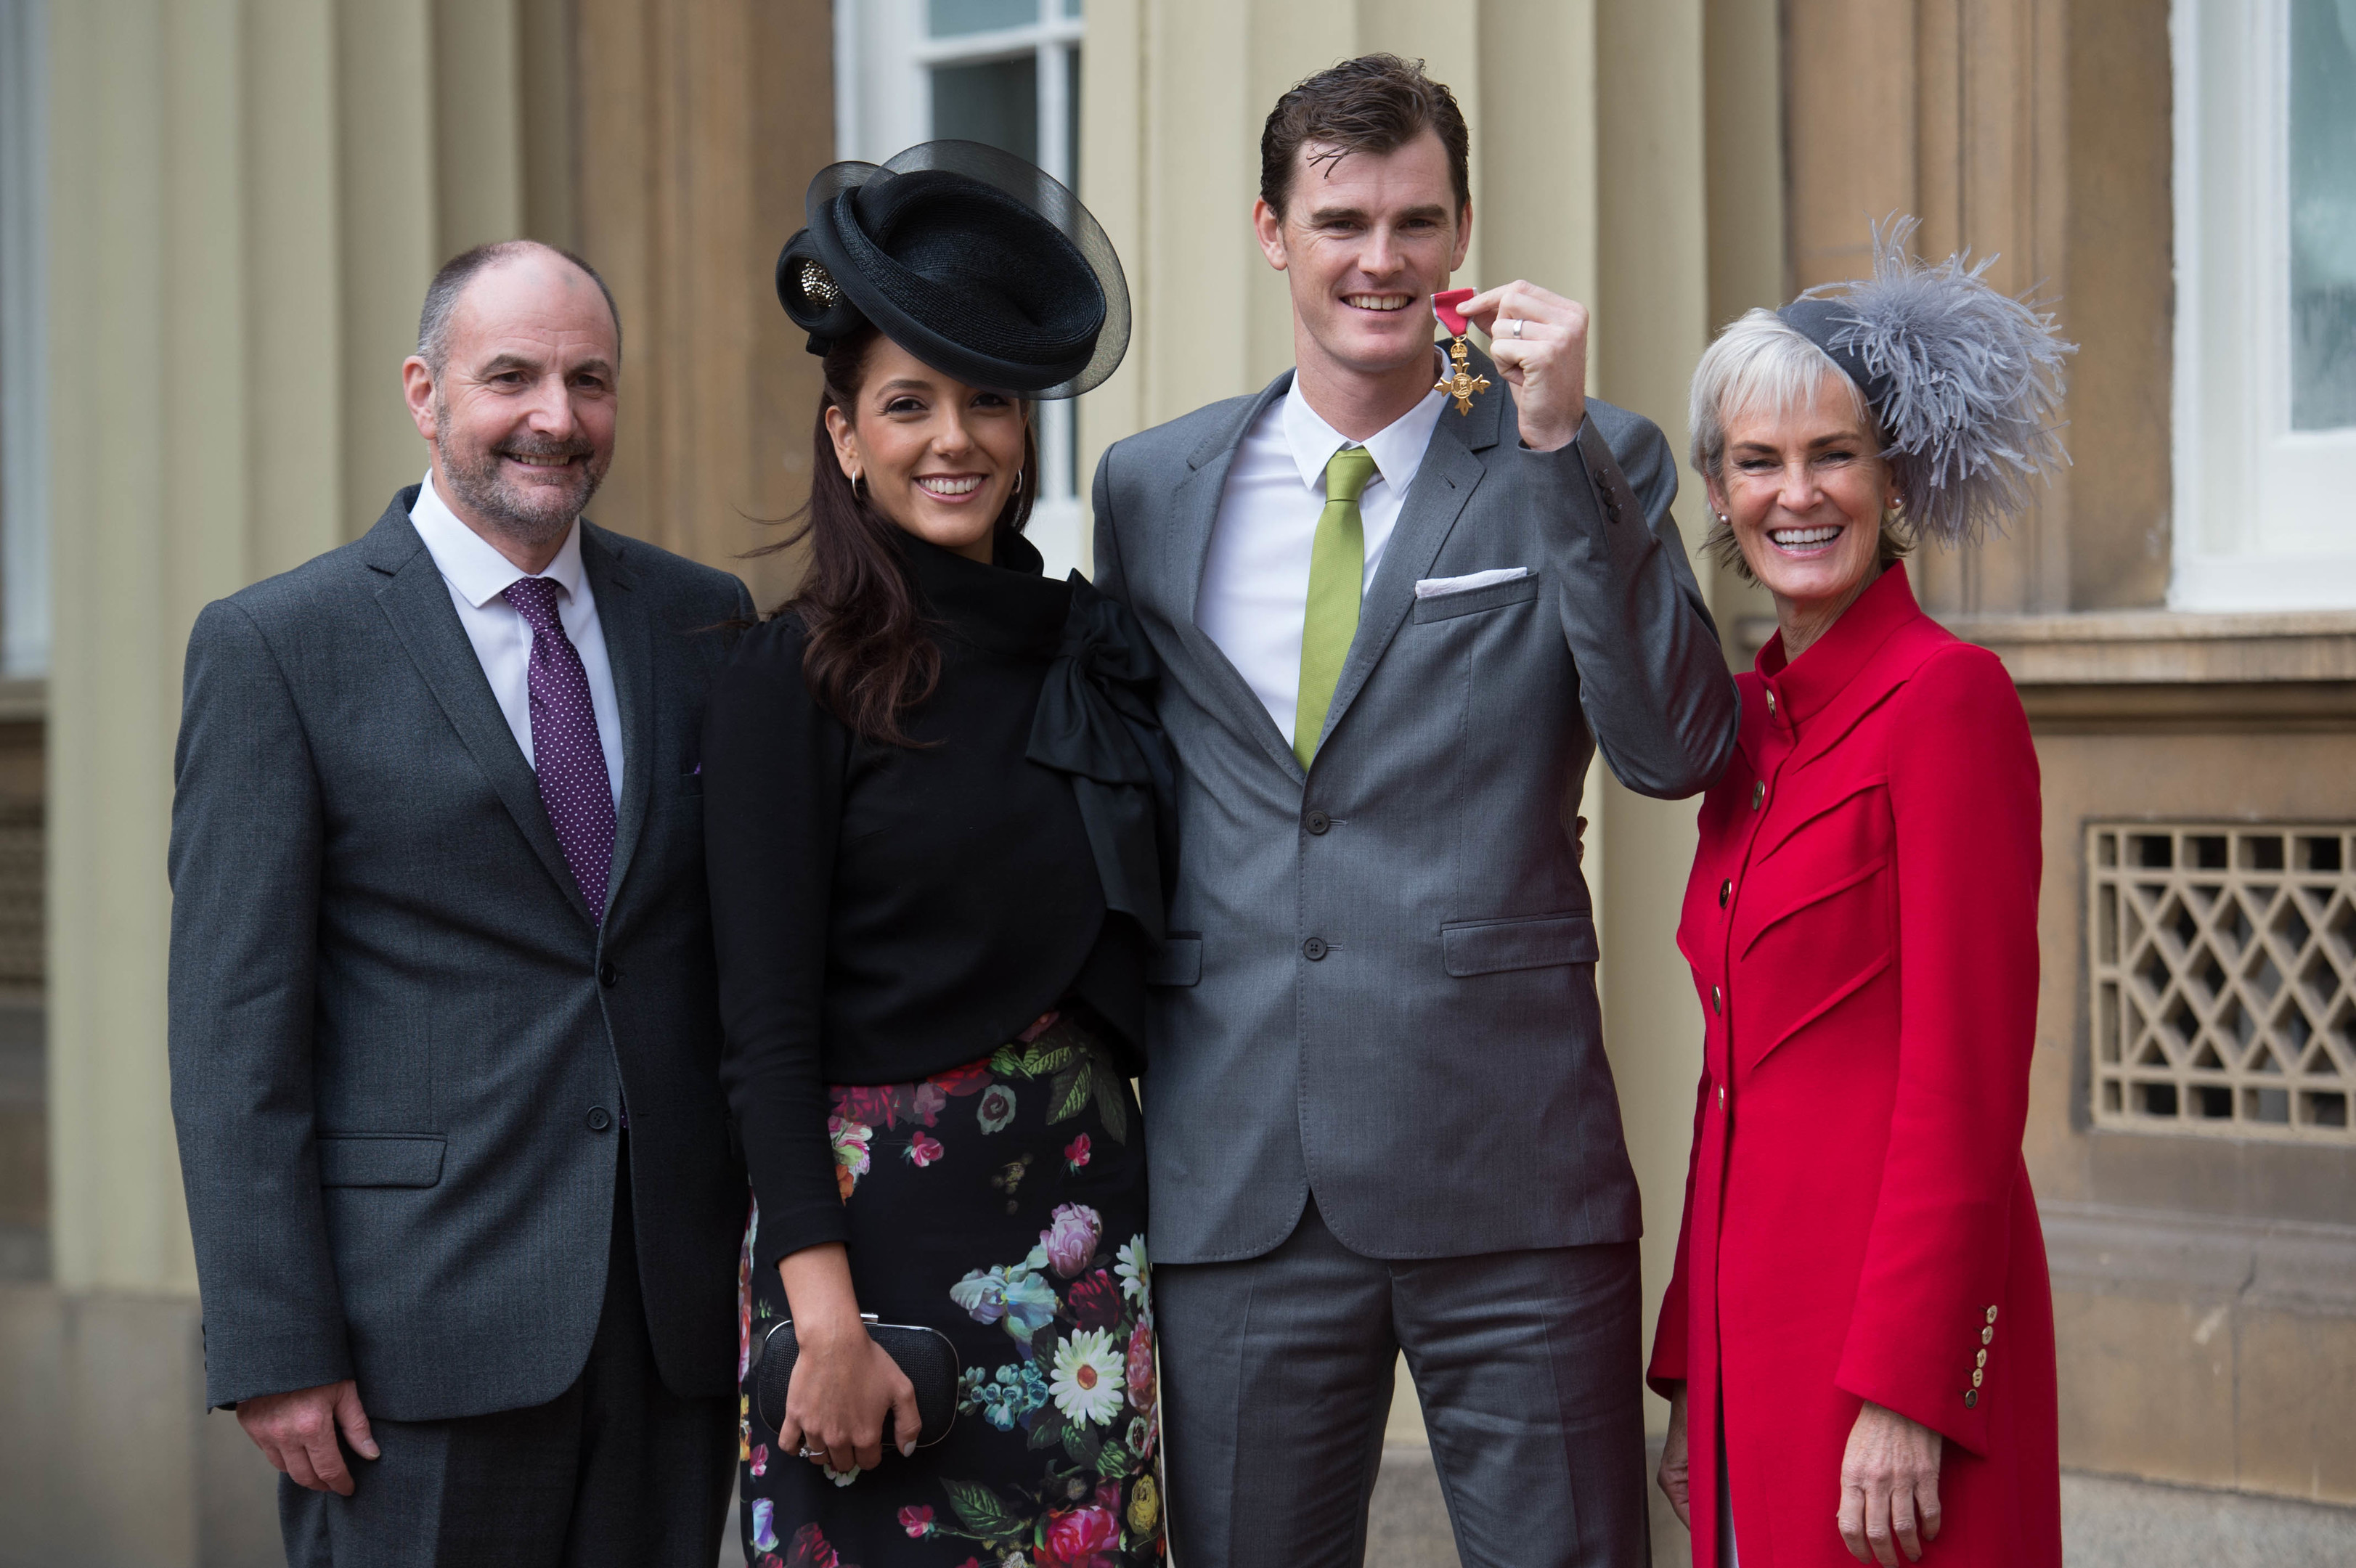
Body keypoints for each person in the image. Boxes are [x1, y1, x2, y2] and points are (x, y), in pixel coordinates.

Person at [1088, 55, 1740, 1568]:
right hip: (1236, 1173)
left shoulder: (1586, 458)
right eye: (1342, 221)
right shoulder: (1151, 489)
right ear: (1272, 231)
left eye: (1416, 221)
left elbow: (1674, 746)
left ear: (1461, 240)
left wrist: (1563, 449)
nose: (1380, 259)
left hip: (1507, 1165)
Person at [168, 240, 753, 1565]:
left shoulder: (702, 621)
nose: (557, 415)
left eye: (589, 379)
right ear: (425, 392)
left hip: (666, 1328)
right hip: (405, 1345)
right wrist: (275, 1343)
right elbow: (231, 1029)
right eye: (514, 377)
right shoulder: (279, 646)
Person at [708, 142, 1167, 1567]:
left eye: (987, 402)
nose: (951, 438)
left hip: (1085, 1252)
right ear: (846, 435)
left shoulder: (1089, 651)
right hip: (871, 1271)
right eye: (908, 404)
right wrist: (824, 1323)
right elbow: (763, 1035)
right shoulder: (790, 679)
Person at [1647, 221, 2072, 1568]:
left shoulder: (1948, 702)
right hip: (1747, 1345)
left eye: (1833, 454)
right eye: (1757, 463)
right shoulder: (1744, 726)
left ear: (1894, 477)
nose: (1797, 495)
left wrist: (1908, 1386)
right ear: (1717, 492)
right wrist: (1684, 1366)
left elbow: (1967, 1079)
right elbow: (1731, 1079)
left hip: (1883, 1357)